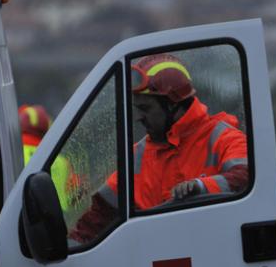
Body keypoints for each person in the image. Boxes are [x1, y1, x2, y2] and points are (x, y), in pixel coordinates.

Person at [70, 53, 249, 243]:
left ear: (173, 105)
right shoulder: (137, 156)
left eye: (146, 108)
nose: (138, 117)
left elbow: (247, 177)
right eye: (137, 108)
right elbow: (96, 220)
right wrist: (67, 251)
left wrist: (201, 188)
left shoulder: (224, 138)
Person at [19, 104, 80, 211]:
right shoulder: (61, 161)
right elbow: (78, 192)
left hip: (19, 224)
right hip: (58, 225)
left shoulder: (13, 156)